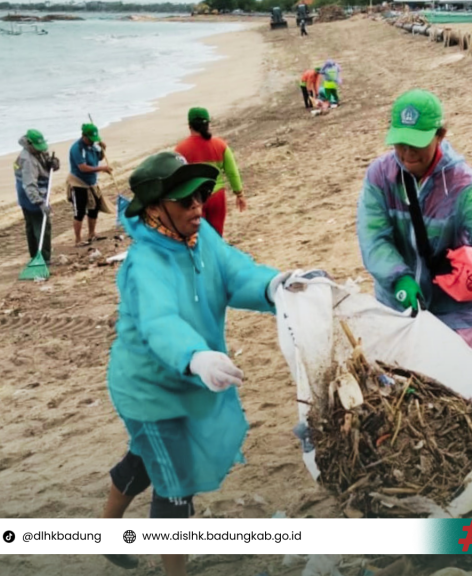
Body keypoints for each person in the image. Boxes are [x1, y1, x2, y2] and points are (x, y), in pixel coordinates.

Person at [99, 151, 298, 575]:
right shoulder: (145, 262)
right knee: (176, 485)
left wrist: (273, 287)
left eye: (200, 196)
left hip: (186, 382)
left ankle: (105, 531)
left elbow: (233, 273)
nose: (197, 207)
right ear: (155, 208)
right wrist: (195, 356)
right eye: (185, 200)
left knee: (144, 459)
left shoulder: (198, 234)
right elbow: (160, 321)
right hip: (149, 387)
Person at [356, 90, 472, 355]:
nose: (407, 152)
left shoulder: (462, 185)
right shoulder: (380, 176)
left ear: (440, 135)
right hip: (400, 304)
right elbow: (374, 236)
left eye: (417, 143)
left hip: (455, 308)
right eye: (400, 142)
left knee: (456, 385)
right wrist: (399, 279)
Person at [174, 107, 246, 237]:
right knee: (217, 235)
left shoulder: (180, 149)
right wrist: (239, 193)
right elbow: (232, 172)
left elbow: (178, 177)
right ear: (208, 124)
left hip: (194, 198)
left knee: (199, 236)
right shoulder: (220, 145)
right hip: (217, 196)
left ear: (189, 125)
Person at [14, 129, 59, 264]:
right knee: (42, 226)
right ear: (29, 144)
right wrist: (40, 203)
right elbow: (29, 185)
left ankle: (35, 256)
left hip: (37, 190)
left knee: (32, 226)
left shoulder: (38, 151)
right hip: (30, 194)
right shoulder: (27, 160)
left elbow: (47, 164)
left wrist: (54, 163)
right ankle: (43, 258)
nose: (40, 150)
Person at [67, 123, 113, 246]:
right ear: (84, 136)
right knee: (79, 211)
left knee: (94, 208)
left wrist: (103, 150)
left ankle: (92, 233)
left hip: (91, 182)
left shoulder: (92, 146)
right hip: (78, 182)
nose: (92, 142)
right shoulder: (77, 148)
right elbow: (83, 167)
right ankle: (78, 240)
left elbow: (98, 158)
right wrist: (102, 169)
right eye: (90, 139)